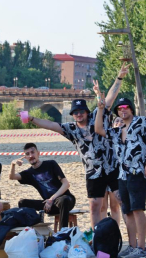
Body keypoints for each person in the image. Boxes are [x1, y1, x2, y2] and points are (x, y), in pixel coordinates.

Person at [27, 63, 131, 228]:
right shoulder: (71, 129)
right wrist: (32, 119)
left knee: (119, 203)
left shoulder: (99, 115)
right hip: (93, 173)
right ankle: (99, 238)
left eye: (81, 111)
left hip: (112, 168)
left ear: (86, 112)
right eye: (75, 112)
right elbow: (50, 125)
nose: (79, 114)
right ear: (73, 115)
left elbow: (111, 96)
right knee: (96, 207)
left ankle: (120, 237)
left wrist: (120, 77)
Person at [95, 96, 146, 258]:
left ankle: (142, 248)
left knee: (138, 209)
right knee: (127, 211)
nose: (122, 110)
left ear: (131, 108)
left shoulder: (143, 122)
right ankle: (132, 246)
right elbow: (98, 129)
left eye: (125, 107)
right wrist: (101, 109)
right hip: (122, 176)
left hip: (139, 172)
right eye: (119, 109)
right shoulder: (117, 132)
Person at [9, 143, 75, 230]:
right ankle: (29, 229)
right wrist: (13, 164)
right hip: (48, 205)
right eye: (27, 154)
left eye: (33, 152)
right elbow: (12, 177)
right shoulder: (29, 173)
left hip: (66, 200)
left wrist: (51, 199)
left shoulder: (51, 164)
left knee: (63, 200)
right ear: (25, 157)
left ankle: (63, 232)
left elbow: (66, 184)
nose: (31, 155)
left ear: (38, 153)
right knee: (22, 203)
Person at [100, 117, 124, 225]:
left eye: (121, 121)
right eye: (117, 121)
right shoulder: (106, 135)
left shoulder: (126, 137)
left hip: (117, 174)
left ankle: (115, 232)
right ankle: (102, 232)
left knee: (115, 207)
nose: (119, 123)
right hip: (102, 173)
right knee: (102, 207)